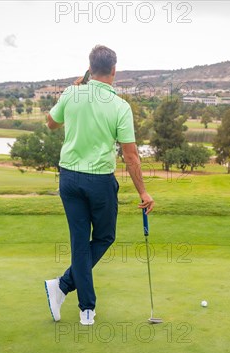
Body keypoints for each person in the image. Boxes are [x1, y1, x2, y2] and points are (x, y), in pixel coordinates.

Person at [44, 45, 154, 326]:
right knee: (104, 237)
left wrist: (73, 92)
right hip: (100, 182)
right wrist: (143, 191)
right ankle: (83, 305)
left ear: (90, 68)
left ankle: (67, 290)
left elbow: (51, 124)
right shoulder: (120, 106)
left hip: (68, 178)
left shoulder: (71, 93)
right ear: (114, 71)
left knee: (80, 242)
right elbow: (130, 155)